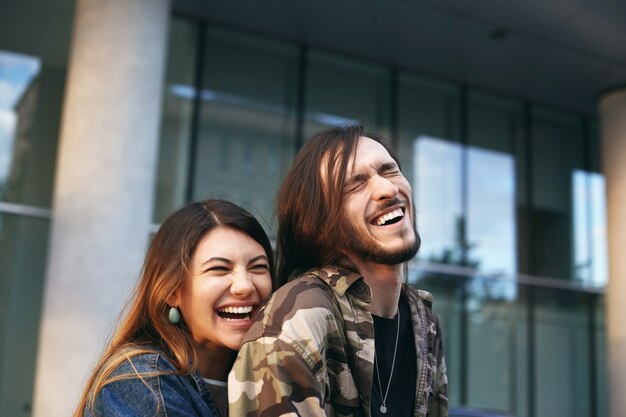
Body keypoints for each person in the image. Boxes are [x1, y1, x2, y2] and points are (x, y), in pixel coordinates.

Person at [229, 125, 448, 417]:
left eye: (390, 171)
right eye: (355, 185)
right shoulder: (300, 313)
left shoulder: (424, 321)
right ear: (321, 225)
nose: (387, 189)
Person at [74, 199, 275, 417]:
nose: (244, 286)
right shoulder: (144, 378)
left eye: (258, 267)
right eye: (219, 269)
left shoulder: (264, 374)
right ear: (171, 291)